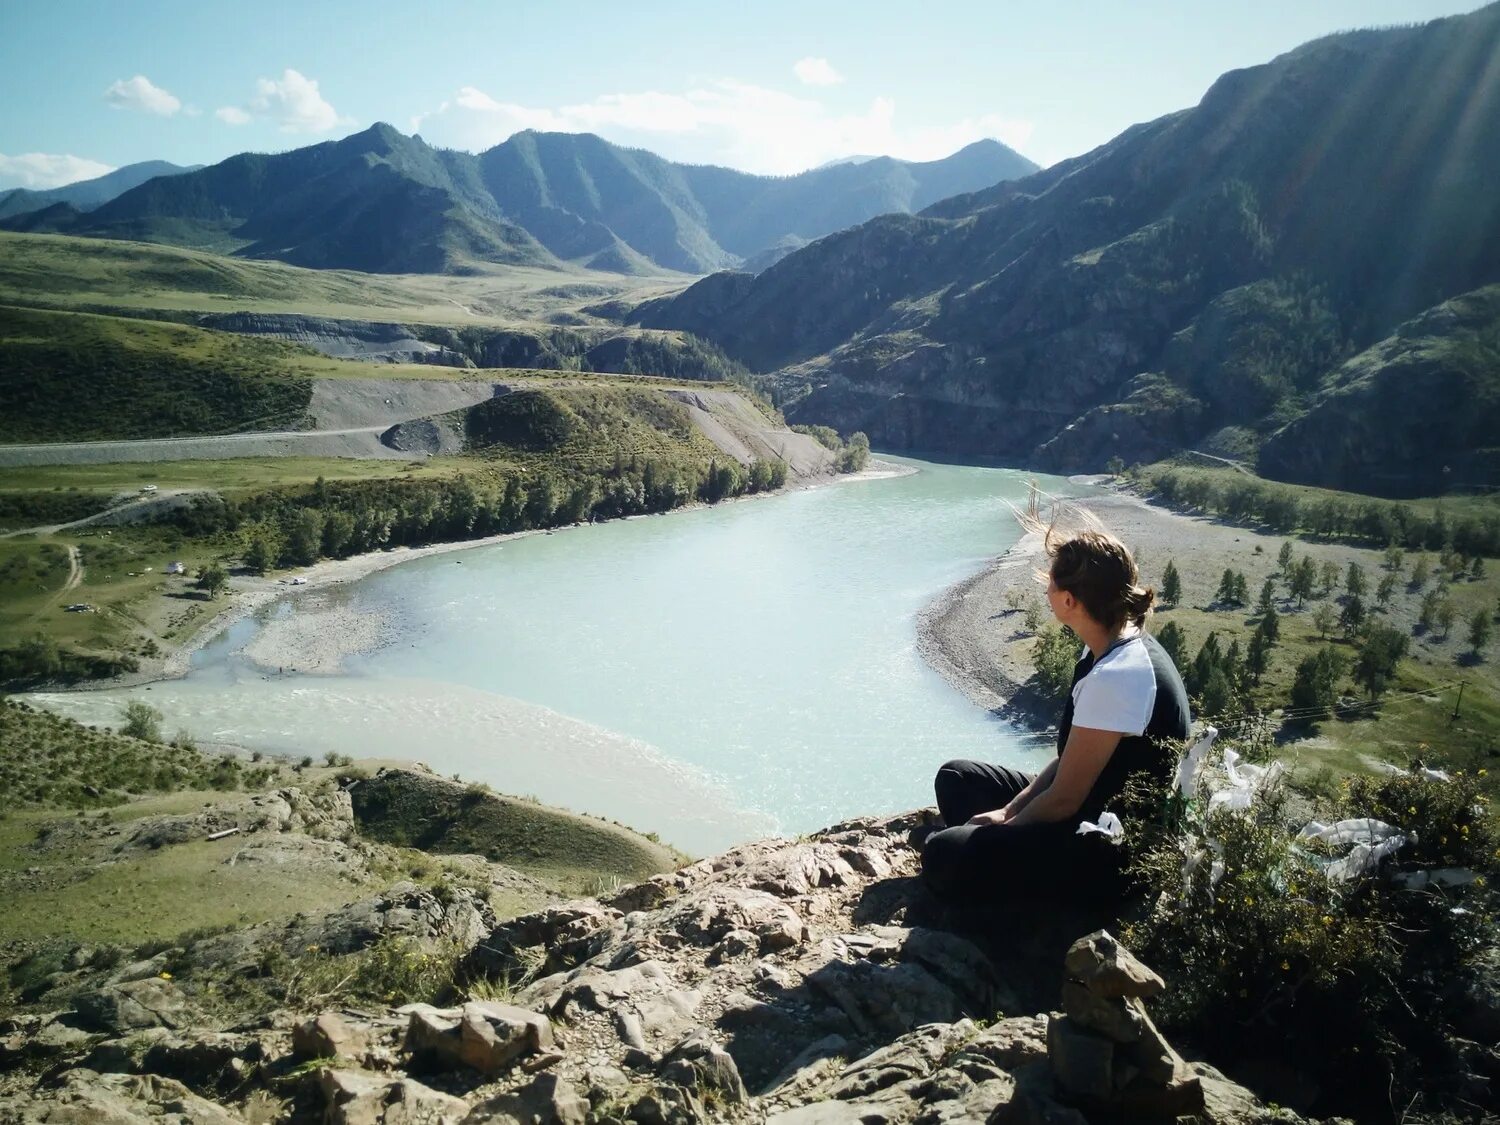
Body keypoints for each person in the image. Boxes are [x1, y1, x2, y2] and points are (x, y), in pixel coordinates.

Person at [921, 522, 1191, 903]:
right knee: (956, 778)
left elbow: (1065, 799)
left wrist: (1007, 825)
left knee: (942, 855)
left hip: (1108, 850)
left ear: (1069, 601)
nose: (1045, 591)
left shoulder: (1116, 676)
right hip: (1088, 804)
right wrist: (1009, 809)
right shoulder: (1111, 646)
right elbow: (1069, 763)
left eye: (1050, 584)